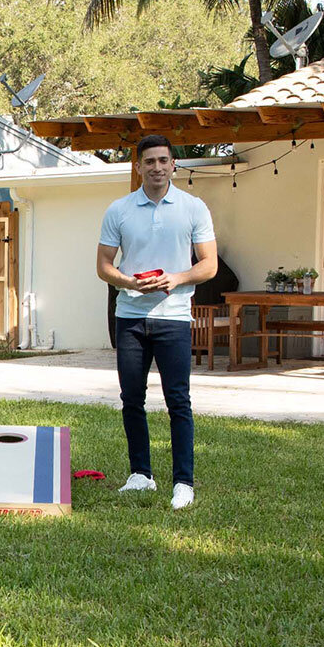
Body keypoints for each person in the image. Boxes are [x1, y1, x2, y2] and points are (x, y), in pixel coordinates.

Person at [96, 134, 218, 510]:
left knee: (178, 400)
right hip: (130, 317)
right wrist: (128, 282)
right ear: (138, 167)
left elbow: (209, 265)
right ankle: (141, 475)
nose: (157, 167)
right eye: (149, 161)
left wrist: (176, 278)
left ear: (174, 165)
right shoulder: (118, 210)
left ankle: (183, 482)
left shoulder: (193, 208)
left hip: (174, 318)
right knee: (131, 399)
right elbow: (103, 267)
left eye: (164, 160)